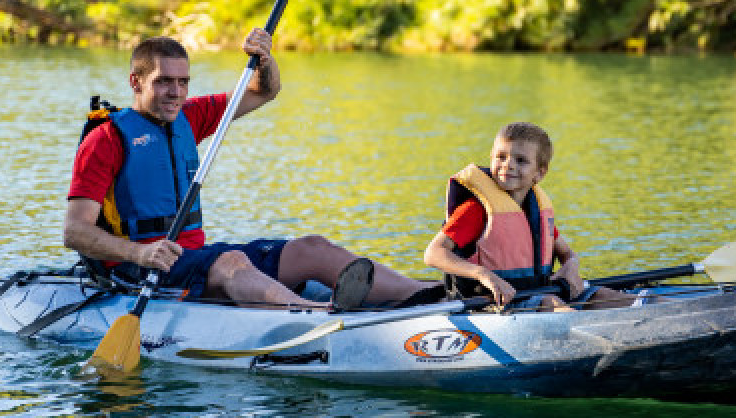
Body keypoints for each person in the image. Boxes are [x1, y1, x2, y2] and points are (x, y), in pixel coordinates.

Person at [64, 31, 439, 309]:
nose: (175, 92)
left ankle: (426, 295)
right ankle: (317, 314)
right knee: (231, 263)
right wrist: (140, 255)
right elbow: (75, 231)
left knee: (312, 248)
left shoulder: (189, 117)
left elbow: (263, 91)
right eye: (163, 81)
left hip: (192, 257)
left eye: (182, 82)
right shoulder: (106, 140)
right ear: (136, 82)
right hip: (139, 268)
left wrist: (264, 58)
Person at [423, 121, 633, 311]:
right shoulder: (475, 210)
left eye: (521, 160)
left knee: (600, 295)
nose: (508, 165)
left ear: (540, 173)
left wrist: (570, 266)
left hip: (537, 293)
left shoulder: (536, 210)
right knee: (549, 303)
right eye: (501, 157)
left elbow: (567, 253)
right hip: (490, 303)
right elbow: (433, 254)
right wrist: (483, 275)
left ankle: (657, 312)